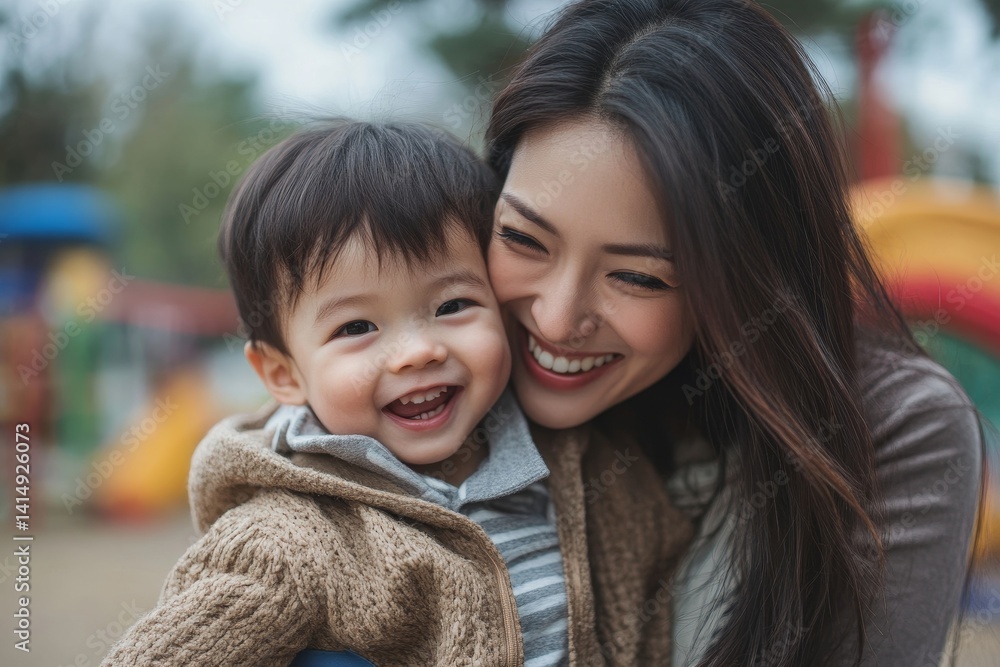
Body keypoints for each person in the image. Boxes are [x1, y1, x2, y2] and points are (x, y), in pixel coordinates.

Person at [483, 0, 987, 666]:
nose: (553, 318)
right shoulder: (431, 376)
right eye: (521, 238)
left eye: (638, 277)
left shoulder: (890, 427)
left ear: (745, 276)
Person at [100, 119, 693, 667]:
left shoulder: (583, 463)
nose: (418, 351)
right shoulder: (291, 539)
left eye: (452, 306)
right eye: (356, 328)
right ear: (283, 373)